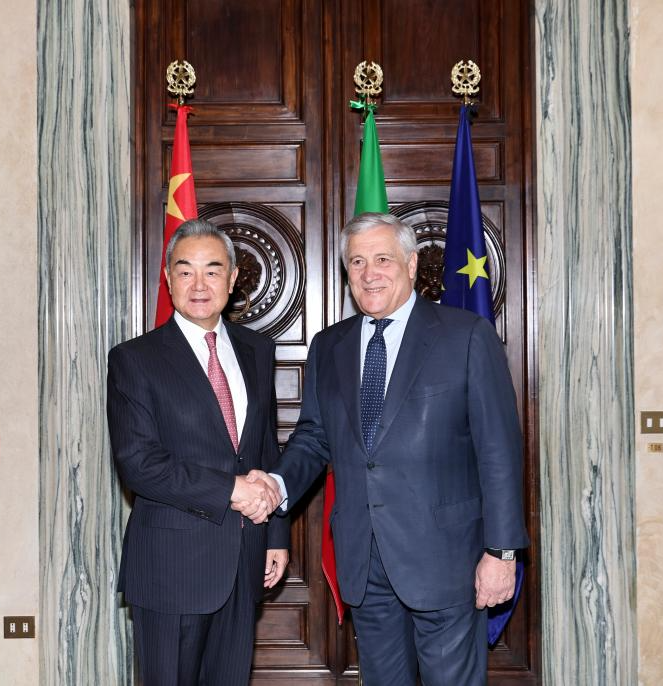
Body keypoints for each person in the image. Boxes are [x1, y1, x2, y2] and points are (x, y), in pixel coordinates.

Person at [236, 212, 528, 685]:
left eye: (382, 259)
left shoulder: (466, 336)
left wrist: (503, 552)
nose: (369, 273)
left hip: (448, 560)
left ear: (411, 265)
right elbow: (314, 436)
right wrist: (275, 485)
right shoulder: (330, 346)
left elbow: (500, 451)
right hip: (364, 562)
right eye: (357, 262)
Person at [107, 218, 289, 686]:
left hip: (244, 559)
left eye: (213, 270)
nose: (199, 284)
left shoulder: (257, 350)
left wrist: (276, 537)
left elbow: (265, 450)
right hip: (171, 565)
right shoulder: (135, 359)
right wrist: (230, 490)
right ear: (168, 279)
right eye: (185, 271)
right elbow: (139, 464)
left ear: (232, 279)